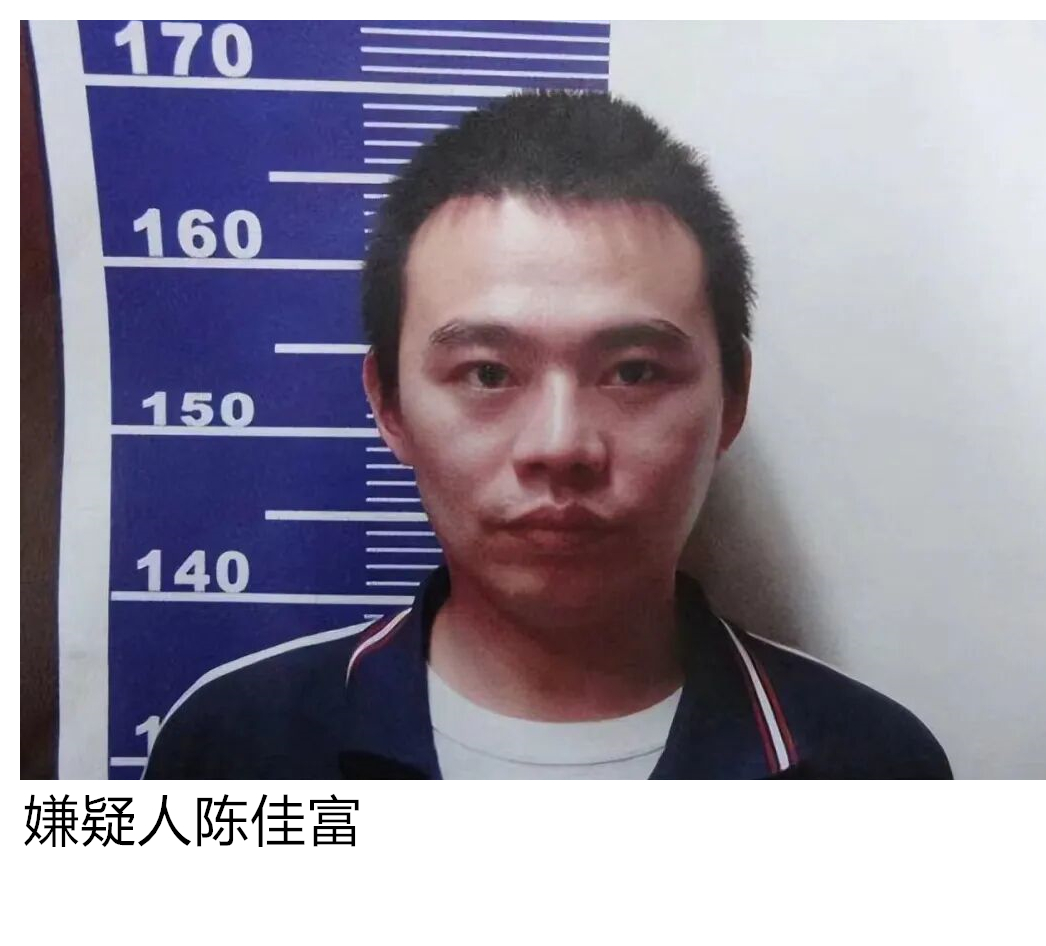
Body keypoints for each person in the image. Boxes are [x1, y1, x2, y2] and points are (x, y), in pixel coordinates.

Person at [145, 90, 951, 779]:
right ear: (389, 404)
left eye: (633, 371)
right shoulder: (234, 747)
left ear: (731, 399)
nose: (561, 446)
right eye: (488, 373)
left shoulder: (873, 768)